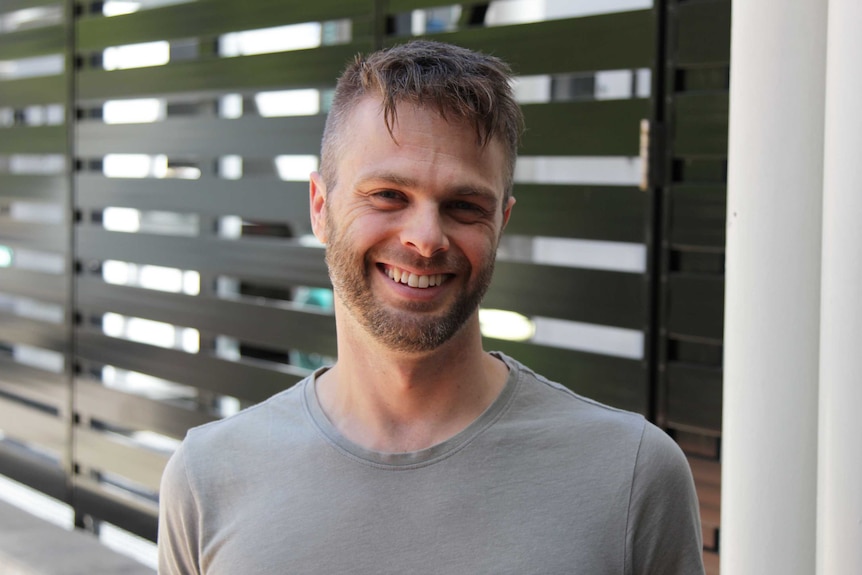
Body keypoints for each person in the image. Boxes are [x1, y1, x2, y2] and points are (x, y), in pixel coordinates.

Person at [158, 40, 705, 574]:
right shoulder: (208, 478)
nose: (426, 238)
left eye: (464, 206)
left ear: (501, 225)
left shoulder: (631, 474)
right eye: (388, 196)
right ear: (320, 208)